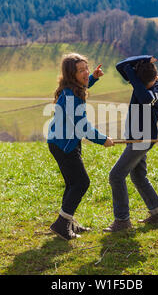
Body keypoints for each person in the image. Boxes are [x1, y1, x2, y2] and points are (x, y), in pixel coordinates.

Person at [47, 53, 114, 240]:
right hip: (63, 145)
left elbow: (84, 85)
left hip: (64, 142)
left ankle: (66, 222)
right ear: (71, 74)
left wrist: (93, 77)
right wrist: (103, 140)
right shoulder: (70, 96)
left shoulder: (73, 89)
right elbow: (82, 126)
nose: (85, 72)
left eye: (86, 68)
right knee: (81, 183)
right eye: (81, 70)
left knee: (72, 183)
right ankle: (62, 224)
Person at [103, 55, 158, 232]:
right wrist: (145, 59)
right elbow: (120, 65)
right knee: (138, 177)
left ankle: (122, 221)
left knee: (116, 176)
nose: (140, 88)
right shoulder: (143, 80)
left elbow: (146, 98)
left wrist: (134, 80)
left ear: (154, 79)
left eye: (144, 86)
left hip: (143, 138)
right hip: (134, 135)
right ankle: (157, 213)